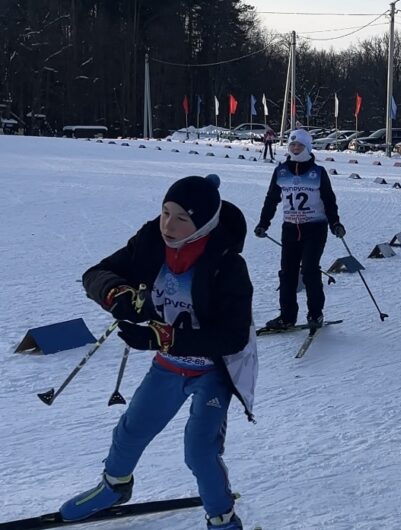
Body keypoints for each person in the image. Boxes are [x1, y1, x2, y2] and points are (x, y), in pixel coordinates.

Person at [61, 175, 257, 530]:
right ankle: (115, 487)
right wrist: (115, 294)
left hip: (213, 370)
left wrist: (161, 339)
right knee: (131, 430)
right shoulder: (151, 241)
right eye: (166, 212)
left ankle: (223, 518)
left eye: (182, 218)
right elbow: (96, 273)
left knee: (199, 451)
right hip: (169, 366)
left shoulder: (227, 264)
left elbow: (232, 338)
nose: (169, 224)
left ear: (204, 223)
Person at [254, 129, 345, 330]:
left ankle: (315, 314)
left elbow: (329, 201)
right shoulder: (281, 171)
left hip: (314, 228)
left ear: (307, 147)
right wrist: (263, 223)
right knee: (287, 273)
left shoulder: (318, 173)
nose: (295, 149)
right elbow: (272, 199)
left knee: (310, 270)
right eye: (292, 145)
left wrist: (335, 223)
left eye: (300, 145)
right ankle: (287, 316)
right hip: (290, 228)